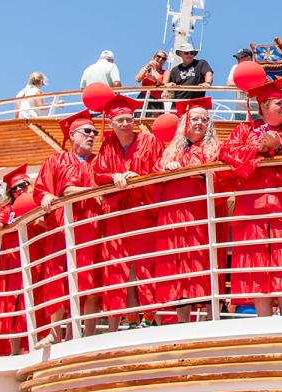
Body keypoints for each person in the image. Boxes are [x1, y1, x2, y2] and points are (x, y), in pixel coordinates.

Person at [220, 77, 282, 317]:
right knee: (256, 264)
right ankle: (263, 319)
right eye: (278, 103)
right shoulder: (245, 131)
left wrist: (279, 147)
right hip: (252, 209)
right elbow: (227, 153)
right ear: (263, 106)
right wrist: (259, 149)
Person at [92, 94, 164, 330]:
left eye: (129, 119)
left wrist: (139, 177)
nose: (125, 123)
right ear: (111, 123)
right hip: (117, 211)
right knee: (121, 265)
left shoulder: (149, 141)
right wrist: (114, 176)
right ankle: (129, 317)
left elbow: (159, 167)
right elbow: (98, 173)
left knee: (147, 262)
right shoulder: (108, 145)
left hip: (144, 209)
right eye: (120, 120)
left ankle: (149, 316)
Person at [33, 109, 103, 338]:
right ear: (72, 135)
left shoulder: (99, 162)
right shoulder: (56, 160)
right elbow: (42, 188)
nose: (91, 136)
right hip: (63, 226)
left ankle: (86, 333)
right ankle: (55, 332)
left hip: (92, 225)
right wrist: (45, 195)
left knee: (90, 278)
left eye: (94, 132)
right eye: (86, 131)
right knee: (58, 276)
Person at [156, 97, 225, 323]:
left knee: (204, 262)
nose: (199, 123)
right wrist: (166, 169)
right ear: (184, 122)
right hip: (174, 217)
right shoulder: (171, 151)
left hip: (200, 215)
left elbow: (223, 178)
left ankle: (210, 321)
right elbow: (154, 175)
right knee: (178, 265)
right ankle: (182, 321)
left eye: (204, 120)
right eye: (194, 119)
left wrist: (199, 172)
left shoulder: (214, 149)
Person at [0, 165, 33, 355]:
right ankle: (15, 351)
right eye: (14, 189)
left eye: (22, 185)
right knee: (15, 304)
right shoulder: (9, 210)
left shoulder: (39, 200)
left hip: (38, 258)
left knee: (36, 301)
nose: (19, 190)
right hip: (15, 263)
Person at [163, 44, 213, 110]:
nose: (189, 55)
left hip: (196, 104)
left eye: (192, 53)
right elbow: (170, 88)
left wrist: (207, 83)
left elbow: (208, 73)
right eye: (186, 53)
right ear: (181, 54)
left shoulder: (201, 63)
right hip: (178, 104)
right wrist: (170, 86)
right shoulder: (175, 70)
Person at [134, 51, 168, 116]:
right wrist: (148, 66)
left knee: (153, 120)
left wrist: (154, 72)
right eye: (158, 56)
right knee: (139, 119)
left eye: (163, 58)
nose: (160, 59)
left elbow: (163, 86)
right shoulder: (146, 69)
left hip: (156, 100)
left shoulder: (166, 72)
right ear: (154, 57)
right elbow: (137, 79)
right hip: (143, 98)